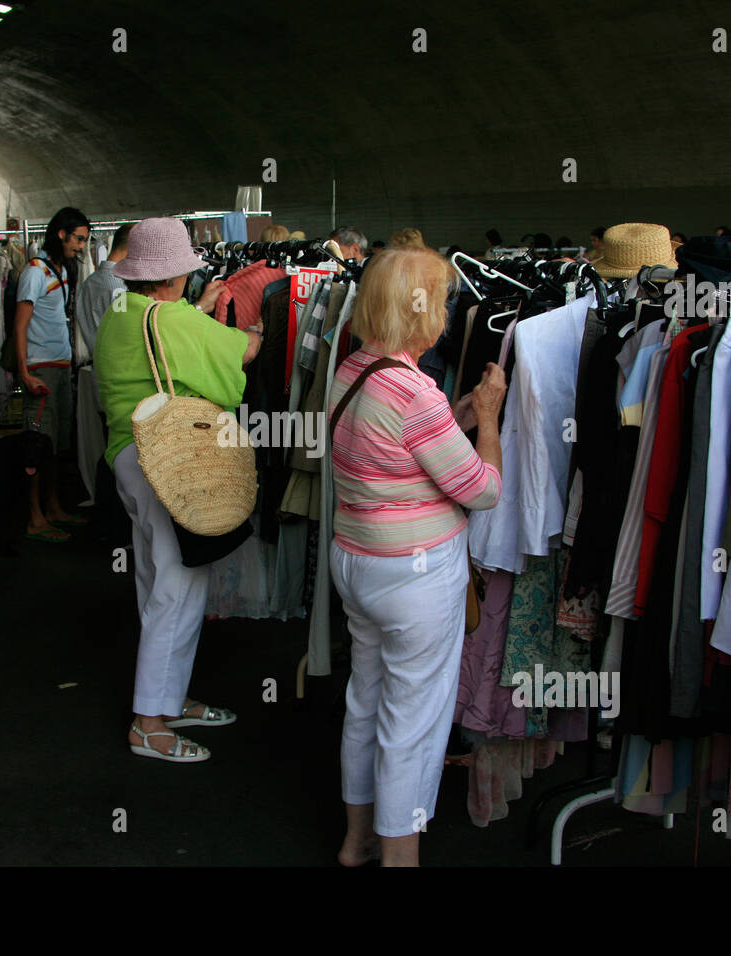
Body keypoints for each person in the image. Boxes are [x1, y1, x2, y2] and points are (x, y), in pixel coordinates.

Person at [328, 245, 506, 866]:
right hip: (415, 577)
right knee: (412, 725)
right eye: (446, 301)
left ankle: (357, 842)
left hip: (356, 562)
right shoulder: (414, 392)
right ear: (421, 310)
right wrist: (486, 419)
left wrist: (449, 421)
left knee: (365, 701)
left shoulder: (353, 370)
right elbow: (482, 490)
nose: (451, 314)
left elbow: (396, 455)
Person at [94, 217, 256, 763]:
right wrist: (254, 330)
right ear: (174, 277)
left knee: (155, 578)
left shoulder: (125, 313)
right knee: (179, 587)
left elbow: (166, 344)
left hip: (130, 455)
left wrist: (199, 312)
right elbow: (239, 356)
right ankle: (148, 724)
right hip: (170, 462)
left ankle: (166, 699)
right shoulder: (172, 318)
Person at [13, 206, 89, 541]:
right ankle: (34, 518)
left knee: (55, 443)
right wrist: (24, 374)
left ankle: (53, 507)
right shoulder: (34, 272)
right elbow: (19, 325)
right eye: (79, 239)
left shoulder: (59, 269)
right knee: (36, 444)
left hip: (59, 366)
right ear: (61, 234)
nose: (82, 247)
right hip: (41, 368)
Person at [75, 222, 130, 358]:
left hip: (98, 367)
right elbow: (124, 334)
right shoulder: (120, 287)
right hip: (119, 369)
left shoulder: (89, 282)